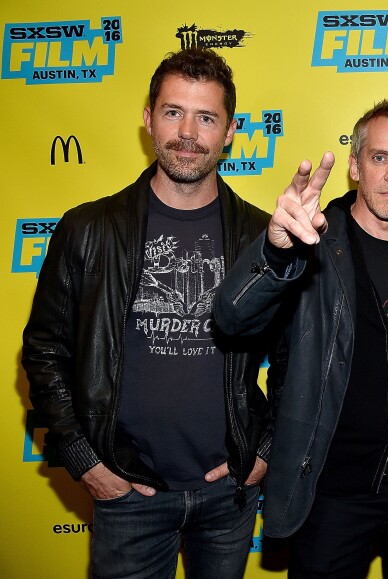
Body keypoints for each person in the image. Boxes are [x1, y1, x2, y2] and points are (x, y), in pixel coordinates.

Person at [21, 48, 272, 578]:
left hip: (228, 493)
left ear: (230, 131)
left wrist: (265, 451)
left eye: (206, 117)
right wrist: (83, 460)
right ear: (148, 119)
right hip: (127, 492)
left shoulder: (260, 236)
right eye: (173, 111)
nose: (187, 132)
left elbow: (302, 360)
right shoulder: (87, 229)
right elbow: (44, 351)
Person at [213, 97, 388, 579]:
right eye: (379, 157)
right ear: (354, 165)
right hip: (329, 491)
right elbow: (231, 317)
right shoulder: (310, 242)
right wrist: (276, 251)